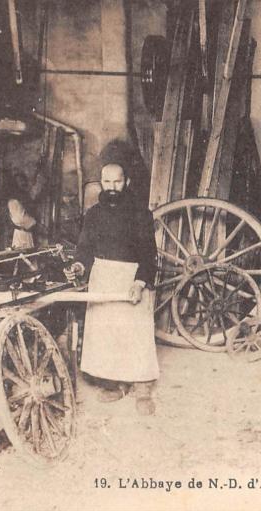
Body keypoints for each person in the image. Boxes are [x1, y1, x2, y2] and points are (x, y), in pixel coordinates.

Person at [64, 162, 159, 415]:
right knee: (106, 335)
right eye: (107, 182)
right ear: (101, 183)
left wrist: (139, 283)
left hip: (131, 280)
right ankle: (113, 385)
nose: (112, 187)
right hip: (103, 278)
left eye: (117, 181)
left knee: (136, 335)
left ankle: (142, 389)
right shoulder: (93, 214)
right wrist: (78, 266)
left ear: (126, 182)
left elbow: (149, 254)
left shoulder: (141, 213)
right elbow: (84, 249)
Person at [5, 172, 39, 250]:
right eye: (19, 182)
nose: (22, 184)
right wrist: (33, 222)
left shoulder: (24, 198)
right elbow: (20, 219)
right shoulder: (13, 201)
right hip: (20, 234)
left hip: (27, 233)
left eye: (23, 181)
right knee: (21, 254)